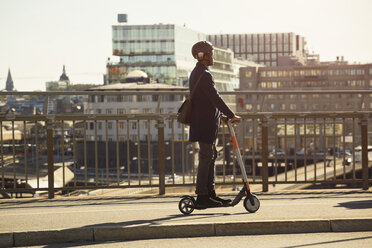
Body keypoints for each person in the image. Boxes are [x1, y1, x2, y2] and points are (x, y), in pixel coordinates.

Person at [189, 41, 241, 208]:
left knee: (210, 157)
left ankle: (210, 194)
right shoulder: (203, 74)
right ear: (202, 56)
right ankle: (202, 196)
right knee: (206, 158)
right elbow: (215, 98)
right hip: (204, 124)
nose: (213, 56)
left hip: (205, 123)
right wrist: (231, 114)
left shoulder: (201, 72)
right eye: (210, 53)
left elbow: (208, 100)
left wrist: (223, 116)